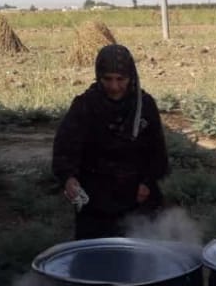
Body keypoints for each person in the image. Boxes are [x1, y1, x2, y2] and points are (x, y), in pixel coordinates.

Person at [52, 44, 170, 240]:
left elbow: (156, 150)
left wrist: (147, 182)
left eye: (120, 79)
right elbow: (66, 146)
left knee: (141, 251)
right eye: (107, 79)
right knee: (96, 253)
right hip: (96, 194)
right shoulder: (85, 105)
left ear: (131, 77)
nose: (114, 87)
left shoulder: (144, 105)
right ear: (98, 77)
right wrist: (69, 178)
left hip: (137, 193)